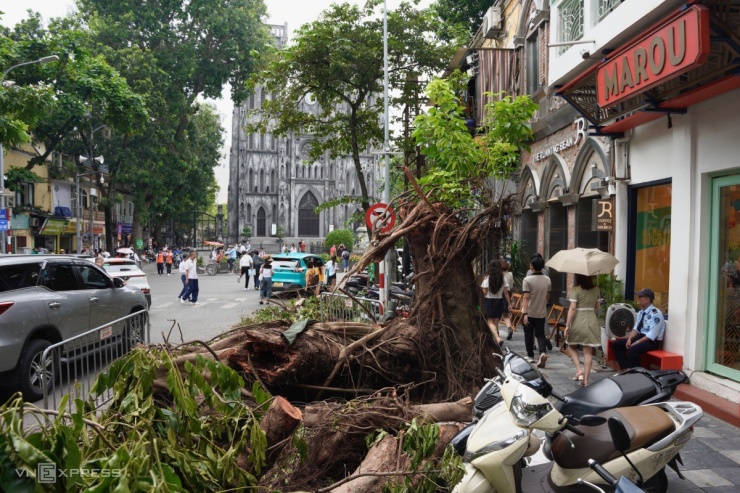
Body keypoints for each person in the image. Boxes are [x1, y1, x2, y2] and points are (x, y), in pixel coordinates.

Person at [612, 288, 665, 369]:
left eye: (640, 296)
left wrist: (636, 342)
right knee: (617, 345)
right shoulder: (641, 312)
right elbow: (636, 328)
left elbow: (651, 335)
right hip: (641, 337)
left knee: (632, 349)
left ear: (647, 300)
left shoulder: (656, 314)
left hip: (651, 342)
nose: (638, 298)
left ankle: (638, 372)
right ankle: (625, 368)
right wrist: (630, 339)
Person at [563, 274, 601, 386]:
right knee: (588, 351)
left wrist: (567, 325)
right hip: (591, 320)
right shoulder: (596, 289)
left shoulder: (576, 289)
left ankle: (579, 370)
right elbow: (597, 307)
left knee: (570, 344)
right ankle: (585, 380)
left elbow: (573, 308)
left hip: (579, 320)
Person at [521, 255, 551, 368]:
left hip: (530, 311)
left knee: (528, 334)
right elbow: (548, 296)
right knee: (540, 334)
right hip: (541, 311)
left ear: (532, 266)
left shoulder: (527, 280)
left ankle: (531, 356)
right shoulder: (547, 279)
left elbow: (525, 297)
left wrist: (525, 314)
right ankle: (542, 352)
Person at [480, 260, 511, 346]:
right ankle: (496, 337)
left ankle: (497, 338)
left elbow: (484, 292)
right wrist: (509, 304)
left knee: (490, 321)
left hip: (489, 301)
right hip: (499, 301)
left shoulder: (487, 278)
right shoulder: (503, 278)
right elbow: (506, 293)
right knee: (495, 321)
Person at [501, 260, 516, 340]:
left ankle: (496, 334)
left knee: (496, 315)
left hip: (501, 294)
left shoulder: (499, 274)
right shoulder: (510, 274)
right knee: (505, 314)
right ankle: (509, 328)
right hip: (508, 293)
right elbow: (511, 286)